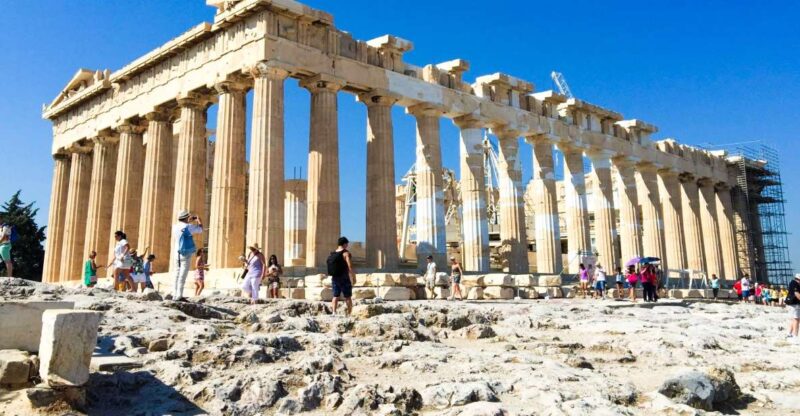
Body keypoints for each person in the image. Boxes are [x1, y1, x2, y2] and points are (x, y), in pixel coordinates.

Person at [172, 210, 203, 302]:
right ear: (186, 217)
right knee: (183, 274)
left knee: (176, 273)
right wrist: (199, 221)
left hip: (176, 252)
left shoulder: (175, 227)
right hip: (185, 252)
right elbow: (200, 229)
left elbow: (182, 228)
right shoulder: (188, 227)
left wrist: (188, 221)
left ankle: (174, 295)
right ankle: (179, 296)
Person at [328, 237, 355, 315]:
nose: (347, 245)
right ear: (344, 244)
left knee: (335, 296)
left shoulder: (333, 253)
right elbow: (350, 266)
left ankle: (334, 312)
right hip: (344, 277)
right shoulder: (346, 253)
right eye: (347, 244)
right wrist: (353, 277)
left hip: (335, 277)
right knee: (348, 296)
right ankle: (350, 313)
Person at [785, 274, 800, 341]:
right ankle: (795, 335)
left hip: (793, 304)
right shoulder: (795, 283)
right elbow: (796, 294)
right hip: (794, 304)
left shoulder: (793, 283)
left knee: (794, 319)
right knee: (796, 319)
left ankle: (789, 333)